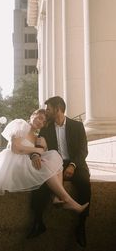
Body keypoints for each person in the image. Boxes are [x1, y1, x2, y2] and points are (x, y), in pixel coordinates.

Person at [0, 109, 89, 215]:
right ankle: (68, 200)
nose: (41, 122)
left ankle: (56, 197)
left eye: (44, 121)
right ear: (32, 116)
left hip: (26, 161)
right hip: (14, 162)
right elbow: (15, 148)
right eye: (39, 118)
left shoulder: (37, 137)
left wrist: (42, 147)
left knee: (54, 156)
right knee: (46, 167)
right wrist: (36, 149)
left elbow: (41, 152)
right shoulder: (20, 124)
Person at [29, 97, 91, 247]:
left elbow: (83, 150)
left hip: (75, 163)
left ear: (57, 108)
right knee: (40, 184)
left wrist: (73, 165)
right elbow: (38, 145)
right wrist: (35, 154)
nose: (47, 112)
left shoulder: (77, 126)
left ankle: (81, 226)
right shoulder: (46, 128)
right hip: (54, 164)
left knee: (84, 184)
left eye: (49, 109)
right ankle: (38, 222)